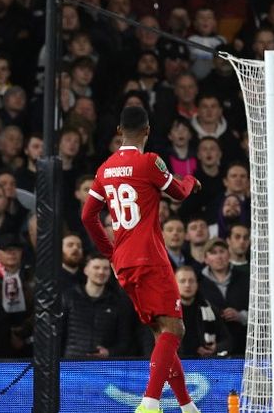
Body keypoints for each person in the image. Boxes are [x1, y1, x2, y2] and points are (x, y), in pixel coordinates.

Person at [81, 105, 202, 413]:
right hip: (149, 257)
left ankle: (187, 407)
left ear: (119, 131)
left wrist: (110, 251)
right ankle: (149, 403)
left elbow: (87, 216)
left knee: (162, 332)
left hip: (123, 262)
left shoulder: (105, 169)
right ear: (147, 131)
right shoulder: (149, 162)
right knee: (175, 329)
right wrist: (190, 180)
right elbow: (178, 192)